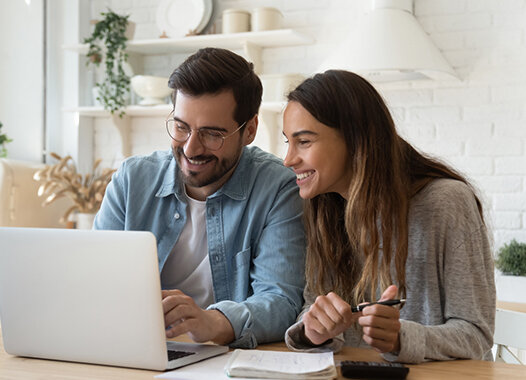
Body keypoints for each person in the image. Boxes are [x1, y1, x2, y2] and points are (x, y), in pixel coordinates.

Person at [94, 47, 305, 348]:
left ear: (250, 130)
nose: (191, 149)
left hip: (223, 358)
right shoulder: (131, 180)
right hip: (134, 349)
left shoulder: (277, 189)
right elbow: (94, 280)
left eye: (212, 134)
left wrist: (212, 322)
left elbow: (281, 301)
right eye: (181, 127)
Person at [282, 70, 495, 363]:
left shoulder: (447, 203)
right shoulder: (326, 209)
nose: (288, 159)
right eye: (288, 142)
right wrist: (314, 330)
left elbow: (476, 334)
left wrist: (400, 338)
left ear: (355, 140)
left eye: (303, 142)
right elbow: (313, 307)